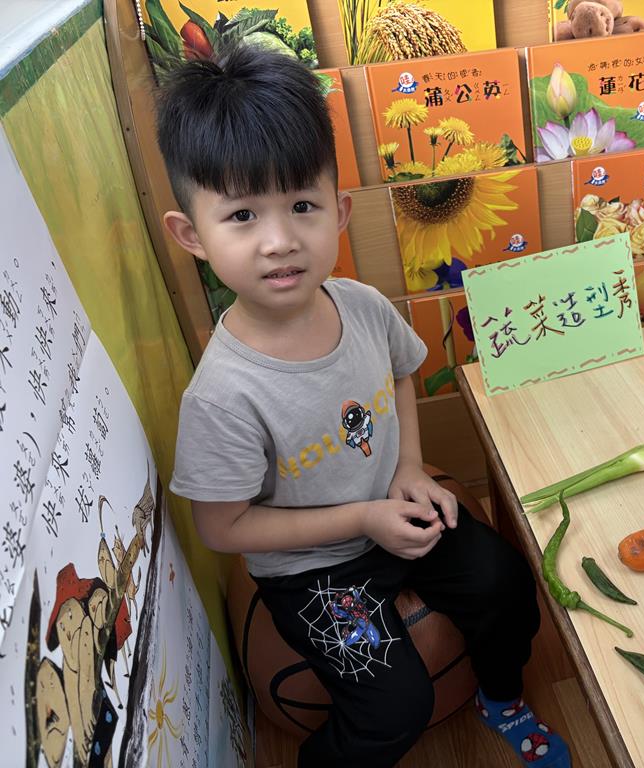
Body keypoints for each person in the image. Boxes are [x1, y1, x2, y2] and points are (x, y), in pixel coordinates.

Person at [157, 45, 570, 768]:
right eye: (243, 214)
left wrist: (408, 468)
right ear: (191, 234)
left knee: (506, 583)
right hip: (313, 571)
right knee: (394, 707)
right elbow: (223, 527)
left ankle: (500, 697)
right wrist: (362, 519)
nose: (280, 241)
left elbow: (403, 372)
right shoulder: (222, 395)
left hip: (395, 513)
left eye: (303, 206)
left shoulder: (363, 305)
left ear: (340, 210)